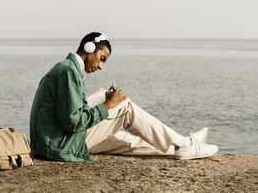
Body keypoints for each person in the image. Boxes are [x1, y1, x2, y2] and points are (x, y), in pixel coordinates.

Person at [29, 32, 218, 162]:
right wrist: (108, 106)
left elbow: (70, 112)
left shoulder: (65, 68)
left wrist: (106, 100)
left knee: (125, 141)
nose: (101, 66)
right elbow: (72, 121)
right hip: (58, 145)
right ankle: (185, 144)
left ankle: (179, 146)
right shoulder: (68, 72)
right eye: (102, 58)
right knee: (125, 106)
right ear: (88, 48)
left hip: (51, 143)